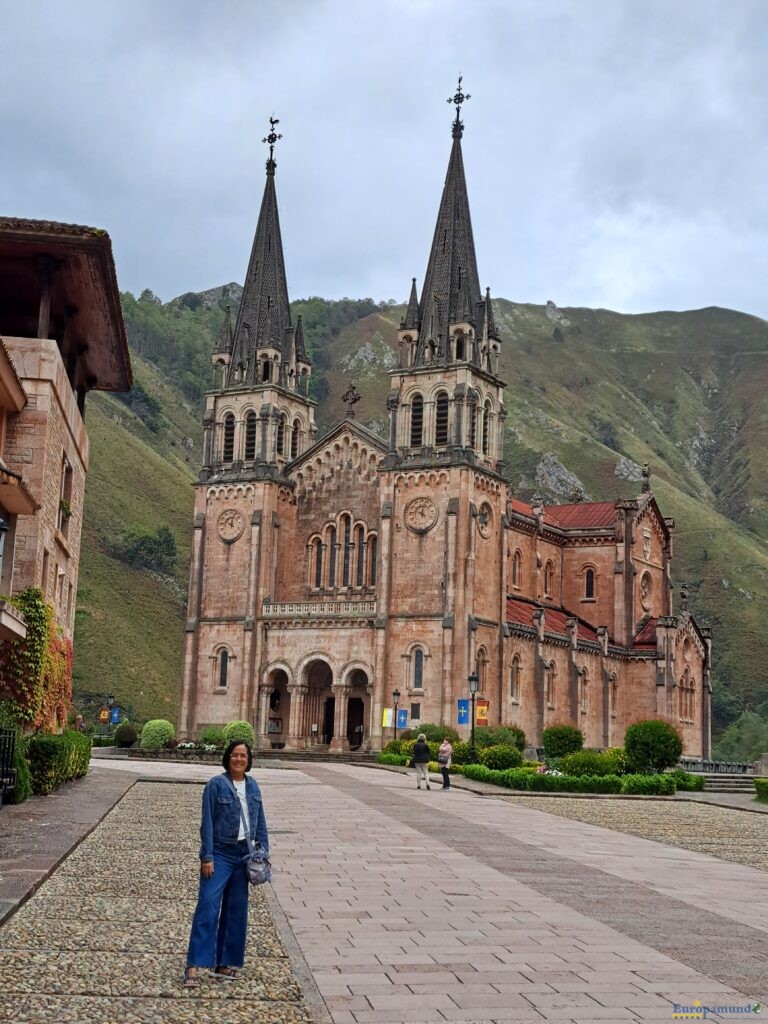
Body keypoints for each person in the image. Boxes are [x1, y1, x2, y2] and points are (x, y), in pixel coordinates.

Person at [183, 740, 269, 986]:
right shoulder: (216, 785)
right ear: (227, 758)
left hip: (244, 855)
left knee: (235, 911)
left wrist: (263, 852)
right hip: (220, 853)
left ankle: (223, 963)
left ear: (248, 760)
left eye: (243, 756)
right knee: (208, 906)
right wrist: (207, 857)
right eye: (234, 755)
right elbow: (207, 824)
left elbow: (260, 822)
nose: (239, 760)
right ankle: (194, 965)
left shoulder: (253, 786)